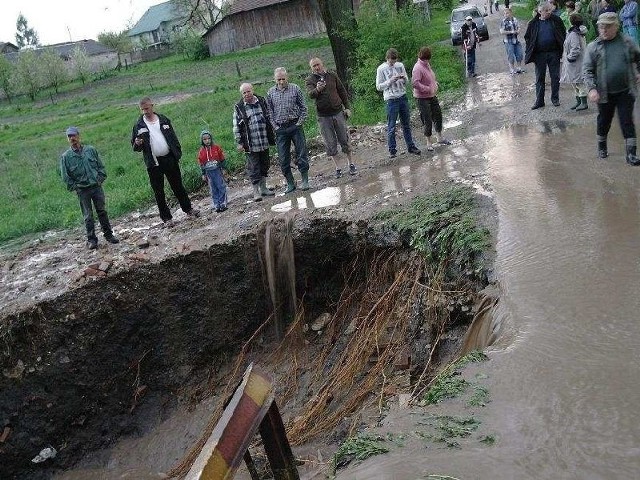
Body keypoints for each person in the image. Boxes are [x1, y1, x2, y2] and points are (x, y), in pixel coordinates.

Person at [583, 12, 640, 165]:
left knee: (627, 121)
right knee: (604, 121)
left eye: (607, 27)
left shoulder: (628, 42)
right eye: (601, 27)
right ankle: (602, 146)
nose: (604, 30)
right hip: (603, 93)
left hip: (625, 91)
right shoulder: (593, 47)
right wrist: (591, 89)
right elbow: (587, 70)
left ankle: (631, 155)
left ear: (616, 26)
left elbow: (638, 58)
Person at [131, 97, 199, 225]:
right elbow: (136, 147)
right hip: (153, 163)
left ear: (152, 105)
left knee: (178, 186)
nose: (145, 111)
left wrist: (177, 153)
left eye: (147, 108)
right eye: (142, 109)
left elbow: (173, 137)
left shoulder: (163, 119)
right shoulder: (138, 125)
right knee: (159, 192)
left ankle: (188, 209)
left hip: (169, 158)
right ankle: (167, 218)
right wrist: (137, 143)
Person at [60, 127, 119, 250]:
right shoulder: (66, 157)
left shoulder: (91, 150)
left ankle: (109, 235)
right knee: (88, 216)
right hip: (82, 190)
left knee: (102, 211)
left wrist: (100, 178)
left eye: (74, 136)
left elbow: (100, 166)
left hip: (96, 187)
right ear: (67, 139)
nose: (72, 138)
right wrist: (75, 187)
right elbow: (65, 176)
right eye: (69, 137)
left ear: (79, 136)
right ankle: (92, 240)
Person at [306, 57, 357, 178]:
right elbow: (310, 94)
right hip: (323, 116)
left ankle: (351, 164)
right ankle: (338, 168)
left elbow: (342, 91)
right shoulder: (310, 80)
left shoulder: (332, 75)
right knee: (330, 142)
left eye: (318, 64)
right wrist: (317, 89)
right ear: (311, 68)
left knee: (344, 139)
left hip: (338, 112)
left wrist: (347, 107)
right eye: (314, 66)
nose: (317, 67)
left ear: (322, 63)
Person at [266, 67, 310, 193]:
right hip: (280, 129)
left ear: (287, 77)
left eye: (283, 79)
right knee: (283, 158)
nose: (281, 81)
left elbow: (303, 107)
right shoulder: (270, 92)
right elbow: (269, 112)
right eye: (278, 79)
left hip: (295, 125)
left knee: (301, 153)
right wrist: (275, 127)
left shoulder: (295, 88)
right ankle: (290, 183)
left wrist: (299, 123)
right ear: (274, 79)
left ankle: (305, 180)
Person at [233, 82, 276, 202]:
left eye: (248, 91)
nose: (247, 94)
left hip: (264, 139)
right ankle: (256, 192)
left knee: (265, 164)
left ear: (252, 90)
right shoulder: (239, 107)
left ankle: (264, 189)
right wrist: (239, 142)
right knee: (253, 167)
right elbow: (236, 126)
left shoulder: (261, 101)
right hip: (250, 143)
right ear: (241, 94)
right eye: (244, 92)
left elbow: (269, 117)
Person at [375, 48, 422, 159]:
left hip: (402, 96)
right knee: (391, 126)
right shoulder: (381, 69)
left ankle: (411, 146)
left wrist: (403, 78)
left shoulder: (400, 65)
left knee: (406, 124)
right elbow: (378, 86)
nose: (393, 63)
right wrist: (391, 80)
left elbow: (406, 80)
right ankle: (392, 150)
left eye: (394, 61)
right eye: (391, 61)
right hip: (391, 100)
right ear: (387, 59)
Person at [524, 2, 567, 109]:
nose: (549, 12)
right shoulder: (533, 23)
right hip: (539, 55)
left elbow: (563, 32)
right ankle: (539, 101)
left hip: (554, 53)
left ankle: (555, 99)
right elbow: (527, 37)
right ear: (540, 12)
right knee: (539, 78)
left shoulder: (556, 20)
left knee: (555, 77)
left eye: (550, 10)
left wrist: (560, 45)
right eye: (546, 10)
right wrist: (531, 49)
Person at [411, 46, 452, 152]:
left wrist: (434, 83)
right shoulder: (417, 68)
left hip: (432, 95)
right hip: (422, 98)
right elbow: (415, 83)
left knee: (438, 115)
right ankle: (428, 142)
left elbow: (429, 77)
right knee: (427, 119)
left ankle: (439, 138)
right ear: (424, 57)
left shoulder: (426, 64)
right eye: (427, 59)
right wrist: (428, 89)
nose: (428, 61)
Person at [561, 14, 589, 111]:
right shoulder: (577, 32)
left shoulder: (574, 34)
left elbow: (575, 49)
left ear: (571, 22)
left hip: (576, 62)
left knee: (579, 82)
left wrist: (569, 58)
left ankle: (583, 103)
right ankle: (578, 101)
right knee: (575, 82)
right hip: (576, 62)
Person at [197, 130, 227, 213]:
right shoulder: (201, 152)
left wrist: (224, 168)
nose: (207, 141)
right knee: (213, 189)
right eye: (205, 139)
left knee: (220, 186)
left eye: (208, 138)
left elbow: (222, 158)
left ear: (211, 139)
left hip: (217, 171)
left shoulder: (216, 148)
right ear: (202, 141)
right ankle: (216, 204)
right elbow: (201, 163)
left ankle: (223, 203)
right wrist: (203, 174)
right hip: (209, 173)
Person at [500, 8, 525, 74]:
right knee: (510, 56)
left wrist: (518, 30)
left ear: (511, 13)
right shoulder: (503, 21)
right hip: (508, 41)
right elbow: (502, 31)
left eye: (507, 13)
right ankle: (512, 69)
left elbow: (518, 27)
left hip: (516, 40)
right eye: (504, 14)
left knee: (519, 54)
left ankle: (519, 68)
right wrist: (511, 32)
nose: (506, 15)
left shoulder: (515, 19)